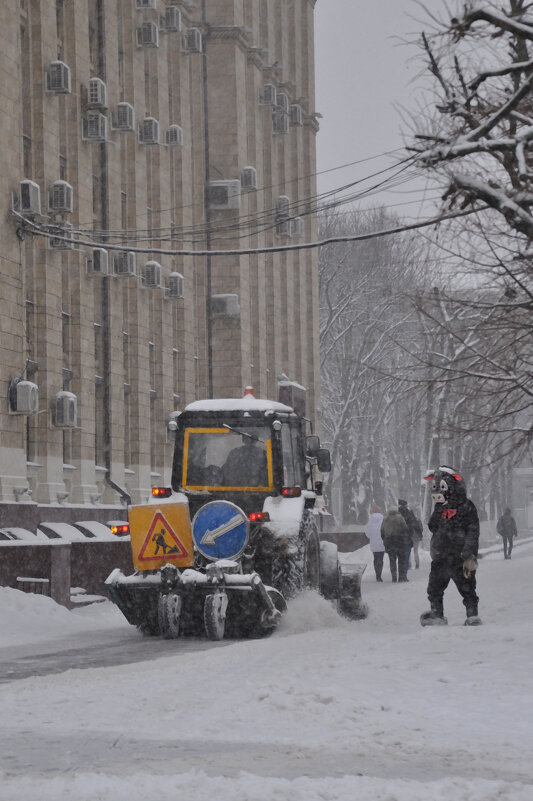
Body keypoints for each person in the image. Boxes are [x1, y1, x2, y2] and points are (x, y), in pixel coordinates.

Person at [421, 465, 481, 626]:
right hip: (441, 556)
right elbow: (433, 526)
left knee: (467, 588)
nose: (437, 492)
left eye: (441, 487)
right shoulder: (440, 507)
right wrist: (440, 511)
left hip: (463, 557)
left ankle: (472, 615)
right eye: (435, 488)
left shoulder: (466, 506)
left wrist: (468, 551)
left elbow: (473, 530)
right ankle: (437, 614)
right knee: (434, 588)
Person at [380, 507, 411, 582]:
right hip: (400, 542)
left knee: (392, 560)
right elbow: (406, 529)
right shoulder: (400, 518)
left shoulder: (385, 519)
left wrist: (385, 540)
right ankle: (401, 577)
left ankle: (394, 577)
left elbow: (382, 531)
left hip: (390, 542)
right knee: (401, 560)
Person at [398, 498, 423, 569]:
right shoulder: (416, 520)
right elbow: (420, 528)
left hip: (410, 536)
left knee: (408, 550)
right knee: (415, 551)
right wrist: (420, 536)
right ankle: (417, 564)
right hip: (416, 537)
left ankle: (409, 564)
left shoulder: (407, 519)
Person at [365, 505, 385, 581]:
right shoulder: (383, 519)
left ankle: (377, 575)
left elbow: (367, 533)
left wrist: (372, 537)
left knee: (376, 559)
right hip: (382, 543)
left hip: (374, 544)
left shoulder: (370, 521)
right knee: (381, 559)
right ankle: (380, 575)